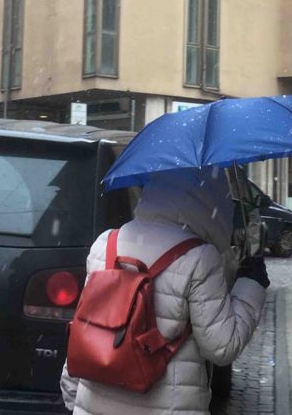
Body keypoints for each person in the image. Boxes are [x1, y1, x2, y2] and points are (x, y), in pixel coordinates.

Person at [61, 167, 269, 415]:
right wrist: (251, 284)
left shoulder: (105, 244)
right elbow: (221, 346)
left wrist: (72, 393)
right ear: (211, 200)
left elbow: (86, 327)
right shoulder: (199, 257)